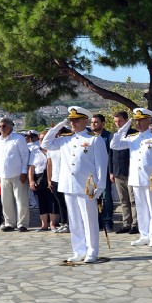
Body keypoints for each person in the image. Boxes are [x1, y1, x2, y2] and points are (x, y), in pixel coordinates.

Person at [42, 106, 108, 262]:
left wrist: (101, 186)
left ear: (85, 120)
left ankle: (92, 251)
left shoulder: (94, 139)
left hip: (87, 186)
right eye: (71, 120)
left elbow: (101, 165)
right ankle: (78, 250)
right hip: (69, 184)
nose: (73, 123)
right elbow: (46, 143)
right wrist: (60, 124)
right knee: (75, 220)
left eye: (76, 120)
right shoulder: (65, 138)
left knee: (89, 219)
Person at [110, 108, 152, 247]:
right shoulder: (132, 138)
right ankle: (144, 235)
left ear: (149, 121)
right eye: (136, 121)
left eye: (141, 120)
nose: (138, 123)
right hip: (136, 179)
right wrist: (125, 126)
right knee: (141, 208)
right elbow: (114, 144)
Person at [0, 117, 30, 232]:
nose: (1, 128)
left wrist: (24, 172)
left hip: (18, 174)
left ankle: (23, 223)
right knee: (6, 201)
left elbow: (24, 156)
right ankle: (9, 222)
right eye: (0, 126)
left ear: (10, 126)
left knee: (21, 200)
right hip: (3, 175)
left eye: (4, 126)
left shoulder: (18, 139)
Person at [109, 110, 139, 235]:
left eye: (120, 121)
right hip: (118, 172)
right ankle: (126, 223)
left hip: (130, 171)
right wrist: (111, 171)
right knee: (123, 200)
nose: (117, 124)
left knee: (133, 200)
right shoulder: (114, 135)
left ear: (126, 121)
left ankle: (135, 224)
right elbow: (110, 155)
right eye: (115, 121)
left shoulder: (134, 134)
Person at [91, 114, 114, 232]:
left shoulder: (108, 136)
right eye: (92, 122)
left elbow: (111, 156)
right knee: (92, 197)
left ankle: (107, 221)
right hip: (90, 174)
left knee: (106, 198)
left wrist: (111, 171)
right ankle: (97, 221)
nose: (93, 124)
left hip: (104, 172)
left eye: (96, 122)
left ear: (103, 123)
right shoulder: (88, 137)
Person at [29, 130, 55, 231]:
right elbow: (31, 167)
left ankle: (53, 223)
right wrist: (31, 180)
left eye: (44, 138)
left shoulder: (53, 150)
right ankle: (44, 224)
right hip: (38, 178)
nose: (41, 140)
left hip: (51, 177)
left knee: (52, 201)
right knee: (41, 201)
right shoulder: (35, 151)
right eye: (40, 139)